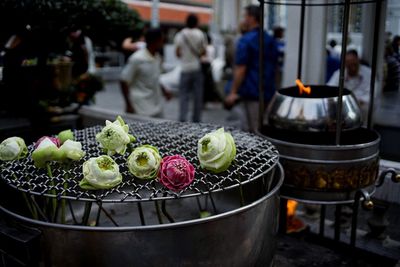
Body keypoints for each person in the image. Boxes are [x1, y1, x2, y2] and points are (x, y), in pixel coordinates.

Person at [225, 5, 278, 132]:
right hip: (268, 92)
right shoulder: (270, 39)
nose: (243, 20)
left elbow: (241, 69)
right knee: (264, 129)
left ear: (252, 18)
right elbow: (275, 67)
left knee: (251, 132)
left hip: (251, 92)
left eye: (245, 16)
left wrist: (233, 92)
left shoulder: (246, 40)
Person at [120, 28, 171, 118]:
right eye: (162, 40)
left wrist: (164, 91)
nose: (163, 43)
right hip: (140, 108)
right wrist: (128, 105)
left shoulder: (157, 57)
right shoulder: (137, 59)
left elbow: (155, 78)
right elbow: (123, 80)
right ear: (155, 41)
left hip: (156, 106)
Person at [174, 14, 207, 122]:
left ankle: (182, 119)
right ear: (196, 22)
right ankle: (196, 121)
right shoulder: (200, 34)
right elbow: (203, 52)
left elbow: (177, 53)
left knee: (184, 96)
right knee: (197, 96)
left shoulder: (180, 35)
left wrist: (185, 55)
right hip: (196, 68)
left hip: (184, 69)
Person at [327, 49, 371, 120]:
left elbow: (371, 95)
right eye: (348, 63)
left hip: (362, 109)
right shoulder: (339, 73)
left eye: (353, 62)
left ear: (358, 60)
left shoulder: (368, 74)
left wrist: (355, 102)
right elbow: (330, 88)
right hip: (342, 107)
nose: (351, 66)